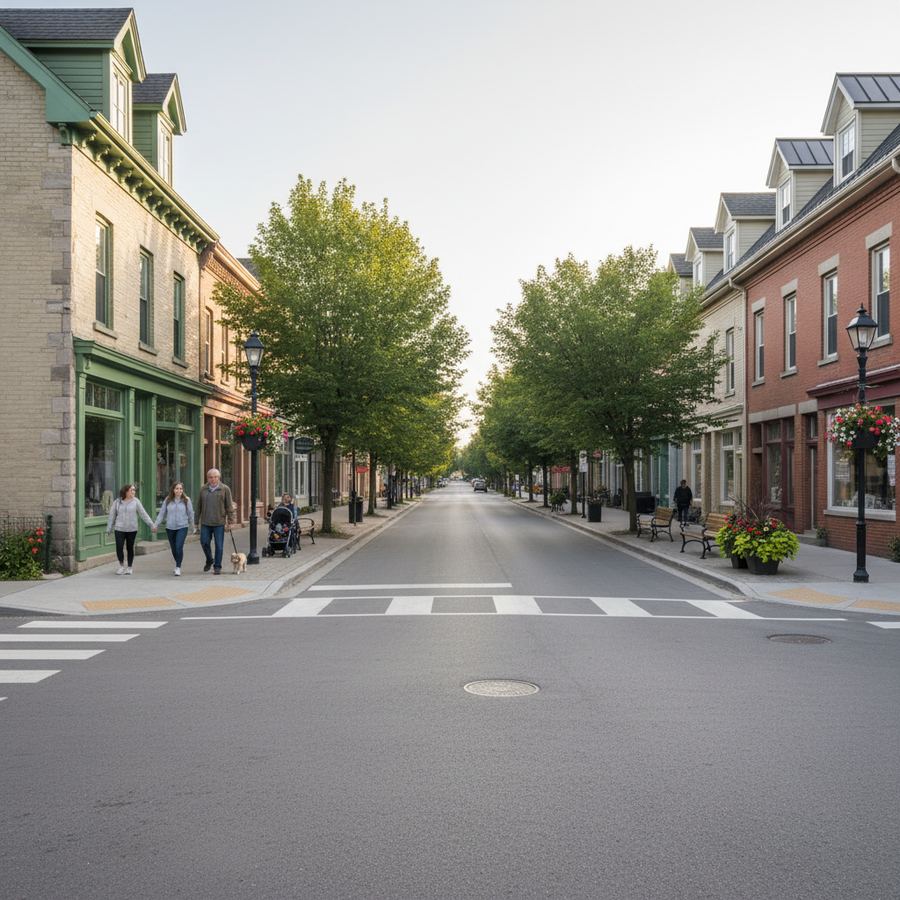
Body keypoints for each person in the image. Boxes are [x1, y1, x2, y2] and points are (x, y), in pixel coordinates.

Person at [106, 484, 157, 575]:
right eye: (131, 490)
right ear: (126, 491)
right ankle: (121, 566)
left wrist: (151, 525)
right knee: (119, 547)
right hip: (119, 528)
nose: (133, 492)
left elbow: (143, 514)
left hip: (132, 529)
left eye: (134, 490)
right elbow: (112, 515)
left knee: (130, 548)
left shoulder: (136, 502)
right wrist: (109, 528)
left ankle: (129, 567)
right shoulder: (117, 502)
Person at [194, 468, 235, 574]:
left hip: (219, 523)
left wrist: (230, 521)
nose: (213, 479)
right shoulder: (203, 489)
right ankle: (209, 559)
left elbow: (229, 506)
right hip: (205, 522)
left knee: (219, 546)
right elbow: (198, 506)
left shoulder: (225, 489)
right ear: (208, 478)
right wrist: (196, 522)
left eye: (215, 477)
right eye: (211, 477)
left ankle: (217, 566)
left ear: (219, 477)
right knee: (204, 542)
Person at [155, 482, 195, 577]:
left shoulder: (186, 500)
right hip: (170, 527)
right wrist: (156, 524)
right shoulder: (168, 500)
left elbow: (190, 514)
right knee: (173, 549)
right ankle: (177, 563)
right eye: (177, 488)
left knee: (178, 546)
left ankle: (178, 567)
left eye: (181, 489)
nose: (179, 491)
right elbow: (161, 513)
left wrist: (192, 526)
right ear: (173, 490)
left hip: (182, 526)